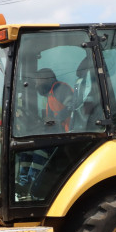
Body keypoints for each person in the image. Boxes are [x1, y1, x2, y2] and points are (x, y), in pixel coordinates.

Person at [16, 68, 73, 198]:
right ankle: (24, 184)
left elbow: (72, 108)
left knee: (39, 151)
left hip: (67, 135)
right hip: (57, 135)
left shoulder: (60, 89)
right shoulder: (51, 95)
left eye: (37, 82)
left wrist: (51, 122)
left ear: (45, 79)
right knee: (26, 150)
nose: (36, 85)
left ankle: (33, 187)